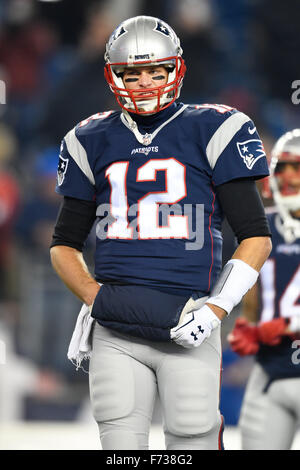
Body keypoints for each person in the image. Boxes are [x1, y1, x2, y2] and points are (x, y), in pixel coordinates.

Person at [50, 15, 272, 450]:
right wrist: (96, 298)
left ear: (177, 69)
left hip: (189, 314)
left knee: (194, 433)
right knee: (120, 443)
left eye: (157, 70)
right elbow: (64, 244)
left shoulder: (216, 128)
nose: (147, 82)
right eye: (133, 73)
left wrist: (216, 310)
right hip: (115, 326)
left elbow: (256, 236)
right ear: (114, 76)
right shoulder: (87, 138)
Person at [228, 129, 300, 450]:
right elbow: (253, 290)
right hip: (269, 370)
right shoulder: (261, 226)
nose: (288, 178)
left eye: (296, 168)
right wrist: (247, 324)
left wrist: (286, 326)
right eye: (281, 168)